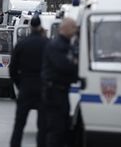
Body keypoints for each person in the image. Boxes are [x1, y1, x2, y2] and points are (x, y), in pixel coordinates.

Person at [9, 16, 49, 147]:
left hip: (25, 85)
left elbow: (13, 68)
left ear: (30, 27)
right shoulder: (47, 44)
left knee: (19, 124)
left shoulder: (22, 44)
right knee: (43, 126)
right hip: (43, 87)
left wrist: (19, 84)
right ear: (40, 27)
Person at [42, 18, 78, 147]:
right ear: (65, 28)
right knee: (56, 129)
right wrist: (75, 65)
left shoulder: (66, 44)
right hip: (55, 92)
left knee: (63, 128)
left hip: (61, 91)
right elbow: (64, 65)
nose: (75, 30)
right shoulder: (57, 45)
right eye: (73, 27)